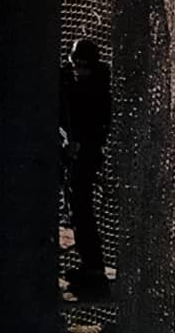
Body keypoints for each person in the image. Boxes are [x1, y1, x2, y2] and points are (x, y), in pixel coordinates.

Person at [61, 37, 114, 299]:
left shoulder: (99, 89)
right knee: (74, 208)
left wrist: (80, 144)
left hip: (87, 156)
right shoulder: (67, 79)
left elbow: (100, 127)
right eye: (75, 65)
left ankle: (93, 267)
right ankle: (88, 265)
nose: (78, 71)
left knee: (82, 209)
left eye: (84, 67)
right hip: (69, 152)